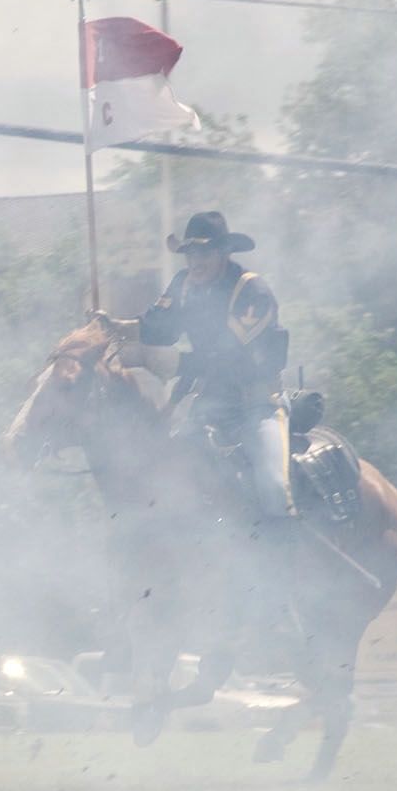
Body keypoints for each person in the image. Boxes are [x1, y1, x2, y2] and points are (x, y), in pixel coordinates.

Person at [119, 212, 295, 617]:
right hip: (209, 404)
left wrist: (165, 363)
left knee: (272, 485)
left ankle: (284, 579)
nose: (196, 263)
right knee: (166, 470)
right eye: (190, 254)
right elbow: (155, 329)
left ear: (224, 253)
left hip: (256, 403)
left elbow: (225, 356)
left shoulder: (252, 291)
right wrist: (113, 327)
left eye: (206, 253)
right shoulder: (183, 286)